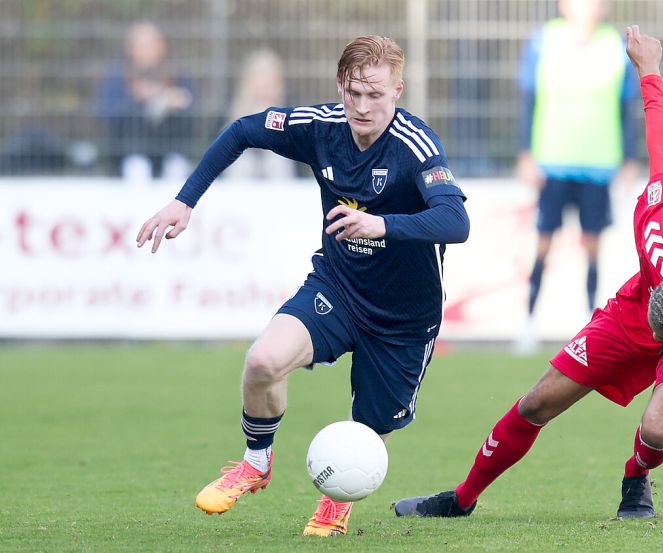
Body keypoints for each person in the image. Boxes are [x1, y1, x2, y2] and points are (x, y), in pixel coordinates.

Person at [394, 27, 663, 524]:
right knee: (538, 402)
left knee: (656, 427)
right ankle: (461, 498)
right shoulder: (659, 233)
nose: (659, 337)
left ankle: (636, 476)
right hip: (631, 310)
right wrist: (650, 71)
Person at [135, 35, 469, 537]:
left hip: (404, 315)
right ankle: (255, 462)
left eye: (375, 95)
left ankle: (336, 501)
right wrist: (185, 201)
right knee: (262, 362)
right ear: (340, 85)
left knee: (367, 428)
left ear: (398, 90)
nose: (362, 106)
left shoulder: (416, 146)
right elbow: (242, 131)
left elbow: (455, 220)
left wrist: (384, 225)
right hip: (338, 287)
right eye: (353, 92)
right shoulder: (320, 127)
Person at [513, 0, 640, 353]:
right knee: (543, 243)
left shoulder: (615, 46)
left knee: (594, 247)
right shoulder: (543, 41)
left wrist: (629, 157)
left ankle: (590, 325)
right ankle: (528, 323)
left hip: (599, 165)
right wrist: (525, 152)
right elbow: (528, 99)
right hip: (552, 161)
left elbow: (626, 106)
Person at [98, 21, 195, 181]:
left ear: (161, 46)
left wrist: (165, 97)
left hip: (170, 148)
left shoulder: (177, 74)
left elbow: (192, 106)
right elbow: (109, 113)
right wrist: (138, 99)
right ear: (130, 49)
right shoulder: (118, 76)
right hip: (131, 152)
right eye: (139, 46)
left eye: (150, 45)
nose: (145, 51)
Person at [223, 49, 298, 181]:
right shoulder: (237, 106)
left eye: (268, 79)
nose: (263, 84)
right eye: (259, 78)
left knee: (278, 162)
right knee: (241, 162)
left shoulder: (290, 106)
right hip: (246, 160)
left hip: (276, 159)